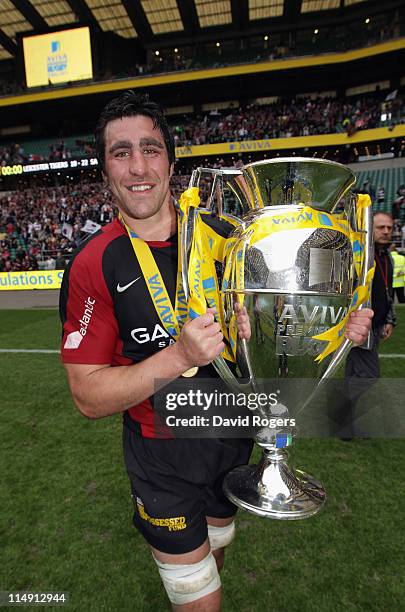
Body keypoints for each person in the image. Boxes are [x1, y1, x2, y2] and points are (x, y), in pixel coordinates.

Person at [59, 90, 373, 611]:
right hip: (164, 459)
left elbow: (276, 325)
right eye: (121, 152)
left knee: (215, 564)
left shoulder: (227, 239)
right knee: (201, 602)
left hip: (233, 442)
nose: (138, 166)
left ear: (171, 159)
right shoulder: (95, 263)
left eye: (151, 149)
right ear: (105, 169)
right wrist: (177, 357)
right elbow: (87, 396)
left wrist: (334, 325)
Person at [341, 212, 396, 438]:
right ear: (370, 230)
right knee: (367, 376)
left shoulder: (387, 257)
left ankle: (346, 423)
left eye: (389, 228)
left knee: (356, 375)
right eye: (381, 228)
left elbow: (387, 291)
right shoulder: (361, 258)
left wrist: (390, 319)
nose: (386, 232)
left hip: (375, 326)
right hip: (361, 327)